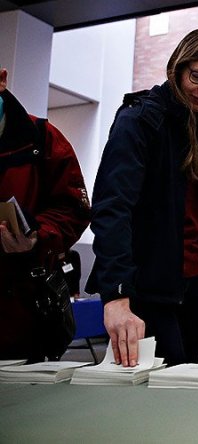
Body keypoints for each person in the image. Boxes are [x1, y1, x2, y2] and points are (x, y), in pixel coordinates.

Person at [86, 29, 198, 367]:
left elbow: (181, 214)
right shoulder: (139, 120)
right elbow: (111, 210)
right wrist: (116, 295)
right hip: (147, 290)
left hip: (194, 287)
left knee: (185, 392)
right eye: (197, 77)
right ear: (177, 67)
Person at [0, 64, 91, 362]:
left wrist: (37, 234)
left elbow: (75, 210)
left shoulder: (43, 139)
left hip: (23, 317)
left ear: (1, 80)